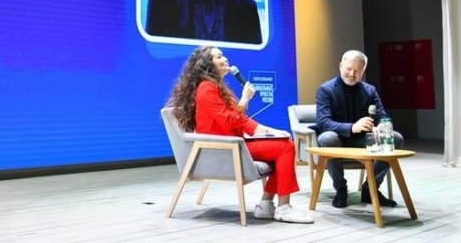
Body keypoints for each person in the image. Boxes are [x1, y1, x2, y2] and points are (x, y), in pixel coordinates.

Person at [168, 45, 313, 223]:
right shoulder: (206, 89)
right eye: (219, 57)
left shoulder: (216, 87)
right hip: (224, 149)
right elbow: (229, 121)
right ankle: (282, 207)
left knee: (284, 143)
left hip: (234, 144)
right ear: (207, 64)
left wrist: (271, 131)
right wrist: (244, 99)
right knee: (285, 147)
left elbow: (241, 121)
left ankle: (266, 205)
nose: (225, 59)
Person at [315, 50, 405, 208]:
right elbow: (323, 122)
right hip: (337, 138)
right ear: (341, 66)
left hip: (363, 139)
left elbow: (382, 116)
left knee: (395, 137)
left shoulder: (369, 90)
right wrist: (352, 127)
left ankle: (370, 189)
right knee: (328, 137)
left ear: (363, 71)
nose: (352, 74)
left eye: (358, 70)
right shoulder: (326, 89)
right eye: (349, 69)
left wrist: (381, 126)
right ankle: (341, 189)